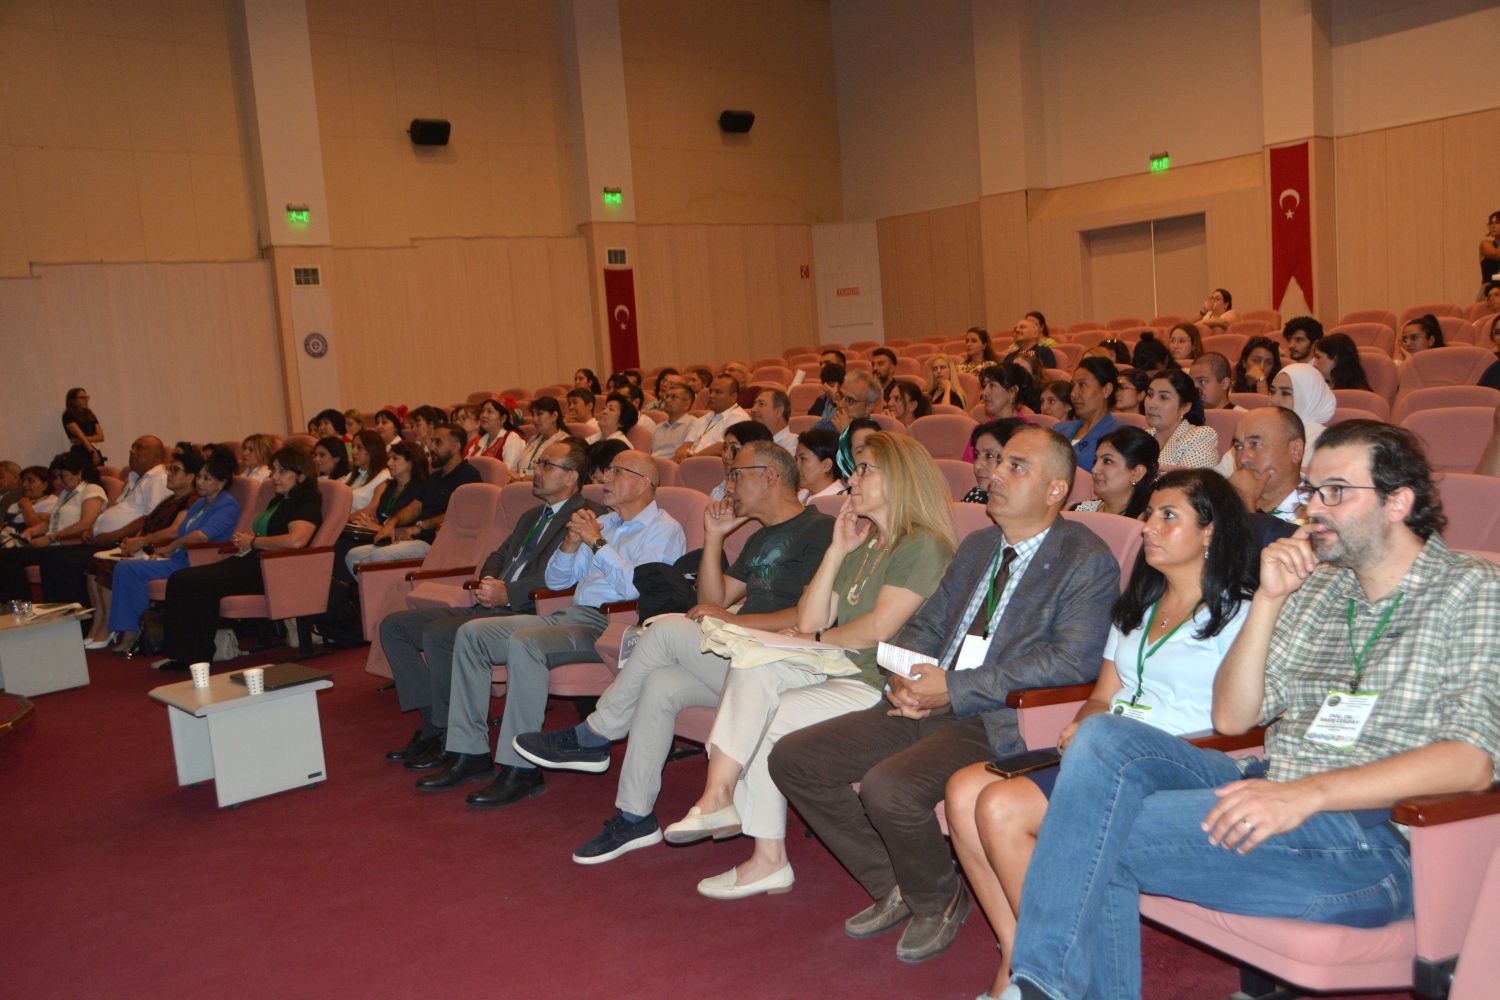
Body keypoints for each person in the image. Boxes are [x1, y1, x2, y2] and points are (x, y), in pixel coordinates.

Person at [999, 420, 1500, 1000]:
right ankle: (1045, 985)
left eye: (1336, 492)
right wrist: (1266, 601)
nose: (1313, 509)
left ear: (1398, 502)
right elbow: (1236, 718)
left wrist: (1308, 794)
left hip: (1377, 837)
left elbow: (1472, 762)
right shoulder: (1319, 589)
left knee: (1090, 832)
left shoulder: (1475, 589)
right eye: (1311, 490)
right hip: (1273, 784)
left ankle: (1040, 987)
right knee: (1104, 737)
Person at [769, 427, 1120, 964]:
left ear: (1055, 490)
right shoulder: (980, 545)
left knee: (889, 788)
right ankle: (900, 885)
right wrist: (904, 674)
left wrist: (951, 688)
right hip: (930, 696)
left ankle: (938, 900)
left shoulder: (1084, 558)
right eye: (997, 462)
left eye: (1016, 467)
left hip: (997, 718)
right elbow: (928, 625)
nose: (996, 475)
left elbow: (1069, 662)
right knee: (795, 758)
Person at [947, 468, 1256, 999]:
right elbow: (1102, 693)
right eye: (1149, 514)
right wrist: (1085, 717)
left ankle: (1054, 972)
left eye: (1168, 516)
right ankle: (1021, 954)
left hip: (1175, 761)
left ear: (1210, 531)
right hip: (1103, 752)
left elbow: (1241, 721)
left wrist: (1102, 731)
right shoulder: (1138, 606)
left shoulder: (1240, 614)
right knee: (963, 790)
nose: (1148, 527)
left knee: (999, 806)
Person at [661, 435, 957, 897]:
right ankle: (721, 801)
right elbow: (811, 616)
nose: (852, 479)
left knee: (766, 711)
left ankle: (764, 854)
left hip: (881, 682)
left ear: (900, 479)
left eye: (865, 470)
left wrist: (815, 639)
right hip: (837, 665)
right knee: (752, 664)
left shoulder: (923, 545)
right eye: (853, 471)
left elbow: (875, 629)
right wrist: (838, 548)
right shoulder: (864, 543)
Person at [513, 440, 834, 860]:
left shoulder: (819, 530)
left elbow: (813, 617)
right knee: (660, 685)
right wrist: (716, 539)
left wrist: (734, 622)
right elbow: (713, 599)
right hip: (742, 658)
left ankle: (596, 734)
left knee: (664, 629)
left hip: (782, 661)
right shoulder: (759, 538)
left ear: (769, 476)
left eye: (737, 474)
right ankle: (635, 818)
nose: (729, 484)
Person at [415, 451, 686, 806]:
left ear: (644, 483)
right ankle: (470, 752)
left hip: (613, 627)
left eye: (616, 472)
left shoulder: (664, 529)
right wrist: (571, 545)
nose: (605, 478)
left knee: (527, 643)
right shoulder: (607, 523)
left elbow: (638, 590)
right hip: (570, 616)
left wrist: (595, 543)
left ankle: (521, 769)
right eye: (607, 470)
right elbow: (560, 581)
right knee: (473, 633)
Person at [382, 439, 602, 768]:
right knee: (395, 626)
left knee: (440, 634)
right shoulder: (531, 516)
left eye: (545, 466)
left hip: (530, 611)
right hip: (491, 604)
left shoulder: (587, 517)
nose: (536, 472)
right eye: (537, 463)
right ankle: (433, 726)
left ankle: (445, 735)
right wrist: (489, 581)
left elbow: (565, 579)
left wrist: (509, 593)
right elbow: (498, 555)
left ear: (571, 477)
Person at [154, 446, 324, 671]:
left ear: (301, 476)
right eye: (274, 471)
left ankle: (195, 656)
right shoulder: (280, 500)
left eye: (282, 471)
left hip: (274, 571)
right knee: (181, 579)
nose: (275, 477)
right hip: (253, 561)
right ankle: (184, 655)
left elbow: (296, 541)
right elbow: (269, 535)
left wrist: (253, 542)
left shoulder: (306, 501)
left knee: (191, 581)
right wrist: (249, 539)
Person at [103, 446, 240, 655]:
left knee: (129, 570)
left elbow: (201, 536)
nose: (200, 482)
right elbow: (182, 531)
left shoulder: (227, 505)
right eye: (200, 477)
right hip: (180, 558)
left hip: (200, 561)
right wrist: (162, 550)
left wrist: (169, 548)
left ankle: (139, 633)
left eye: (207, 479)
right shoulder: (199, 504)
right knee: (126, 568)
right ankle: (133, 632)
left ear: (221, 483)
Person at [344, 425, 481, 577]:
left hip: (438, 542)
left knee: (378, 558)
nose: (432, 447)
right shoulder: (435, 478)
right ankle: (380, 599)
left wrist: (422, 526)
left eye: (438, 442)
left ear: (456, 447)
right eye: (432, 442)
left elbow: (462, 514)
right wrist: (391, 523)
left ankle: (388, 598)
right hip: (416, 538)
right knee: (354, 556)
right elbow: (414, 508)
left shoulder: (469, 477)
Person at [0, 451, 107, 600]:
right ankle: (17, 605)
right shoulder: (65, 494)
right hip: (54, 544)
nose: (58, 482)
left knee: (48, 558)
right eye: (57, 477)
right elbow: (51, 521)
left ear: (78, 473)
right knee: (5, 556)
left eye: (62, 476)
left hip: (70, 543)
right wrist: (32, 531)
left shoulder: (92, 489)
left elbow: (86, 523)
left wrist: (51, 538)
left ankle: (26, 605)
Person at [1225, 406, 1307, 524]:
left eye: (1255, 444)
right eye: (1239, 447)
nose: (1243, 459)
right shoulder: (1220, 502)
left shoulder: (1321, 510)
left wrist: (1246, 502)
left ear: (1295, 450)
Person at [1070, 426, 1159, 518]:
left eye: (1107, 461)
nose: (1094, 470)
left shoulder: (1146, 523)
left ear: (1136, 473)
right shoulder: (1079, 511)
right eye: (1095, 461)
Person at [1053, 357, 1122, 472]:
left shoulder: (1118, 435)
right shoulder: (1059, 429)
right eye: (1073, 386)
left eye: (1082, 385)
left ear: (1106, 390)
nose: (1073, 394)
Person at [1143, 369, 1219, 468]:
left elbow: (1190, 481)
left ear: (1186, 407)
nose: (1152, 404)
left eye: (1163, 397)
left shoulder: (1200, 436)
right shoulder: (1143, 437)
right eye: (1150, 394)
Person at [674, 375, 751, 460]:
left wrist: (693, 459)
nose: (711, 395)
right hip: (691, 464)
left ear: (733, 397)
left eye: (718, 392)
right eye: (711, 391)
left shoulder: (740, 419)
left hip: (715, 468)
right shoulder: (703, 418)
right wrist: (681, 452)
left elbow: (722, 447)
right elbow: (687, 443)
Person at [961, 420, 1024, 504]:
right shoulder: (976, 495)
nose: (977, 466)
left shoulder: (1023, 506)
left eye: (989, 456)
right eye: (976, 455)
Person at [511, 397, 570, 477]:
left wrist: (525, 478)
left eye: (539, 414)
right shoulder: (533, 440)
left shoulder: (565, 442)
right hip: (523, 485)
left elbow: (559, 476)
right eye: (533, 415)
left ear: (554, 416)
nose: (535, 419)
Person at [2, 465, 55, 544]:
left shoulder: (52, 502)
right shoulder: (16, 503)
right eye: (23, 481)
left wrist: (26, 506)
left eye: (30, 481)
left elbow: (38, 531)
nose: (24, 485)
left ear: (45, 485)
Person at [342, 431, 390, 511]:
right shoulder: (350, 476)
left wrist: (346, 519)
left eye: (359, 447)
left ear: (373, 450)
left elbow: (374, 508)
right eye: (353, 446)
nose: (353, 452)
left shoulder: (384, 476)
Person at [473, 397, 526, 469]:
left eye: (489, 411)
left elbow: (508, 470)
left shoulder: (511, 438)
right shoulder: (480, 441)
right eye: (482, 411)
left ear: (503, 418)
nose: (483, 415)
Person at [795, 428, 844, 503]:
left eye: (803, 459)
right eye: (796, 459)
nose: (796, 465)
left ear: (826, 465)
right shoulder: (801, 494)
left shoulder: (838, 502)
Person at [651, 382, 697, 459]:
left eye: (673, 397)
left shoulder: (693, 424)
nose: (667, 400)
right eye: (667, 396)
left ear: (687, 404)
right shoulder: (658, 427)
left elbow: (685, 456)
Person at [62, 388, 105, 463]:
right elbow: (80, 435)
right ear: (73, 400)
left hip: (94, 449)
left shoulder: (89, 414)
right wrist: (92, 452)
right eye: (82, 398)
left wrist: (81, 440)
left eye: (86, 397)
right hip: (80, 452)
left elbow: (101, 437)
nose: (86, 400)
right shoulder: (68, 415)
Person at [750, 387, 798, 454]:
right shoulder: (751, 443)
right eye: (754, 404)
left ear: (778, 411)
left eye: (761, 404)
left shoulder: (794, 445)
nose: (753, 409)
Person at [1480, 210, 1500, 290]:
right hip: (1489, 290)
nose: (1492, 226)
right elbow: (1497, 255)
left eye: (1497, 223)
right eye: (1491, 223)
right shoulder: (1485, 244)